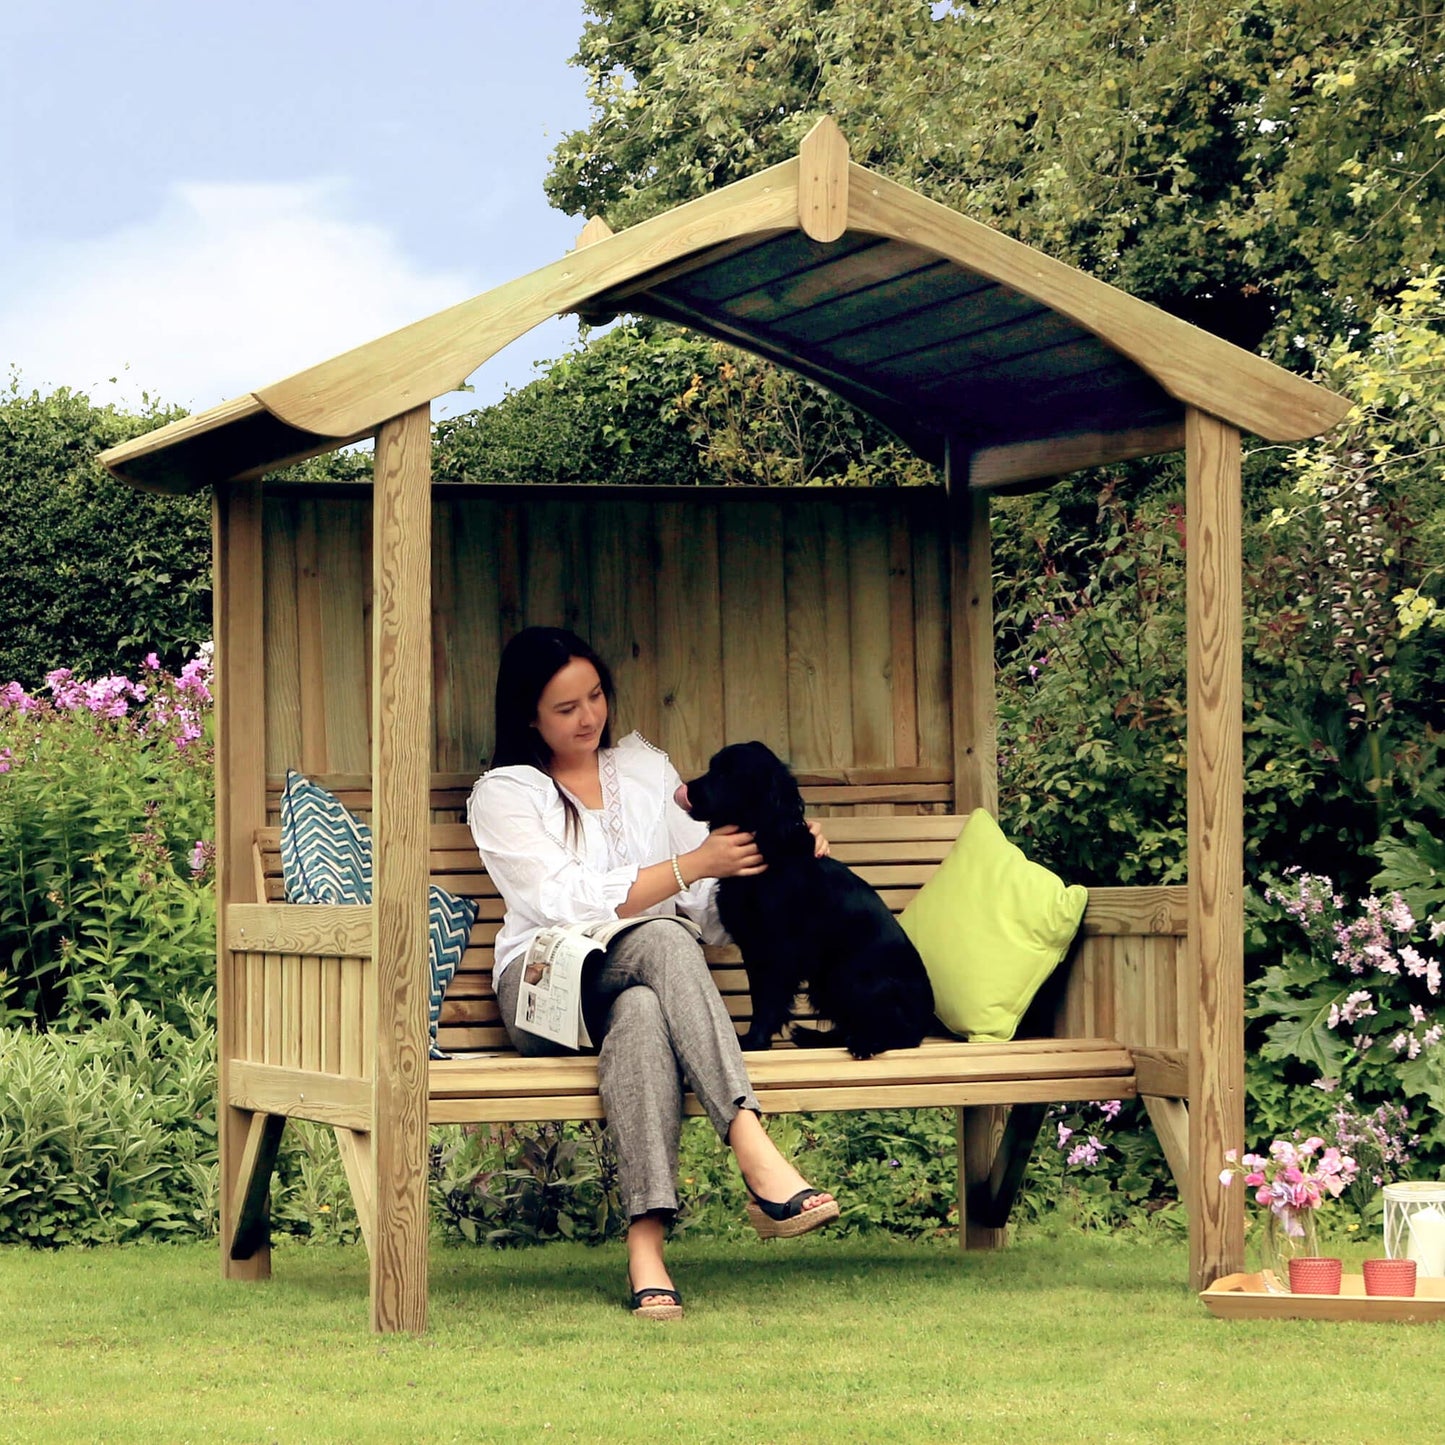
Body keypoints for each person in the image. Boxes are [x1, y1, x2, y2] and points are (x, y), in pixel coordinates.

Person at [468, 626, 838, 1321]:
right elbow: (558, 902)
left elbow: (713, 912)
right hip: (543, 983)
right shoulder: (506, 792)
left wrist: (785, 849)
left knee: (641, 1009)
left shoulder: (644, 772)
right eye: (565, 708)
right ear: (528, 717)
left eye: (595, 696)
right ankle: (751, 1144)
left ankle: (646, 1253)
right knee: (664, 934)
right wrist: (686, 865)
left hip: (639, 981)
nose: (588, 717)